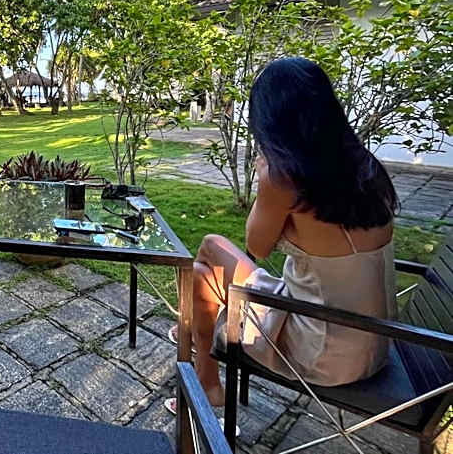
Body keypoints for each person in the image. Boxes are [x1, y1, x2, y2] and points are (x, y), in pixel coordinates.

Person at [167, 57, 398, 412]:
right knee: (201, 276)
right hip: (375, 342)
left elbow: (256, 246)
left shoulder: (284, 177)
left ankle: (196, 346)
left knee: (210, 248)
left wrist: (264, 175)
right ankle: (202, 365)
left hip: (322, 348)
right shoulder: (365, 167)